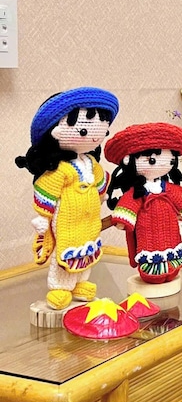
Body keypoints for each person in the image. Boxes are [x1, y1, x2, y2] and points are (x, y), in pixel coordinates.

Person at [15, 87, 120, 309]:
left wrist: (104, 195)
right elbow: (47, 191)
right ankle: (60, 287)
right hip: (66, 219)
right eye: (85, 130)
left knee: (87, 246)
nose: (95, 136)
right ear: (55, 131)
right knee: (66, 248)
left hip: (89, 220)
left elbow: (101, 183)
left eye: (102, 130)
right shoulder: (59, 169)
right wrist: (43, 217)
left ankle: (80, 282)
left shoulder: (91, 163)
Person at [104, 123, 182, 286]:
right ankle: (154, 272)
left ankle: (172, 268)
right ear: (128, 160)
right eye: (152, 160)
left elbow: (180, 201)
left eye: (170, 160)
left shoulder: (168, 188)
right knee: (151, 249)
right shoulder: (137, 192)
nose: (162, 165)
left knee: (172, 244)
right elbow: (128, 204)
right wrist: (123, 220)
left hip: (170, 230)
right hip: (148, 233)